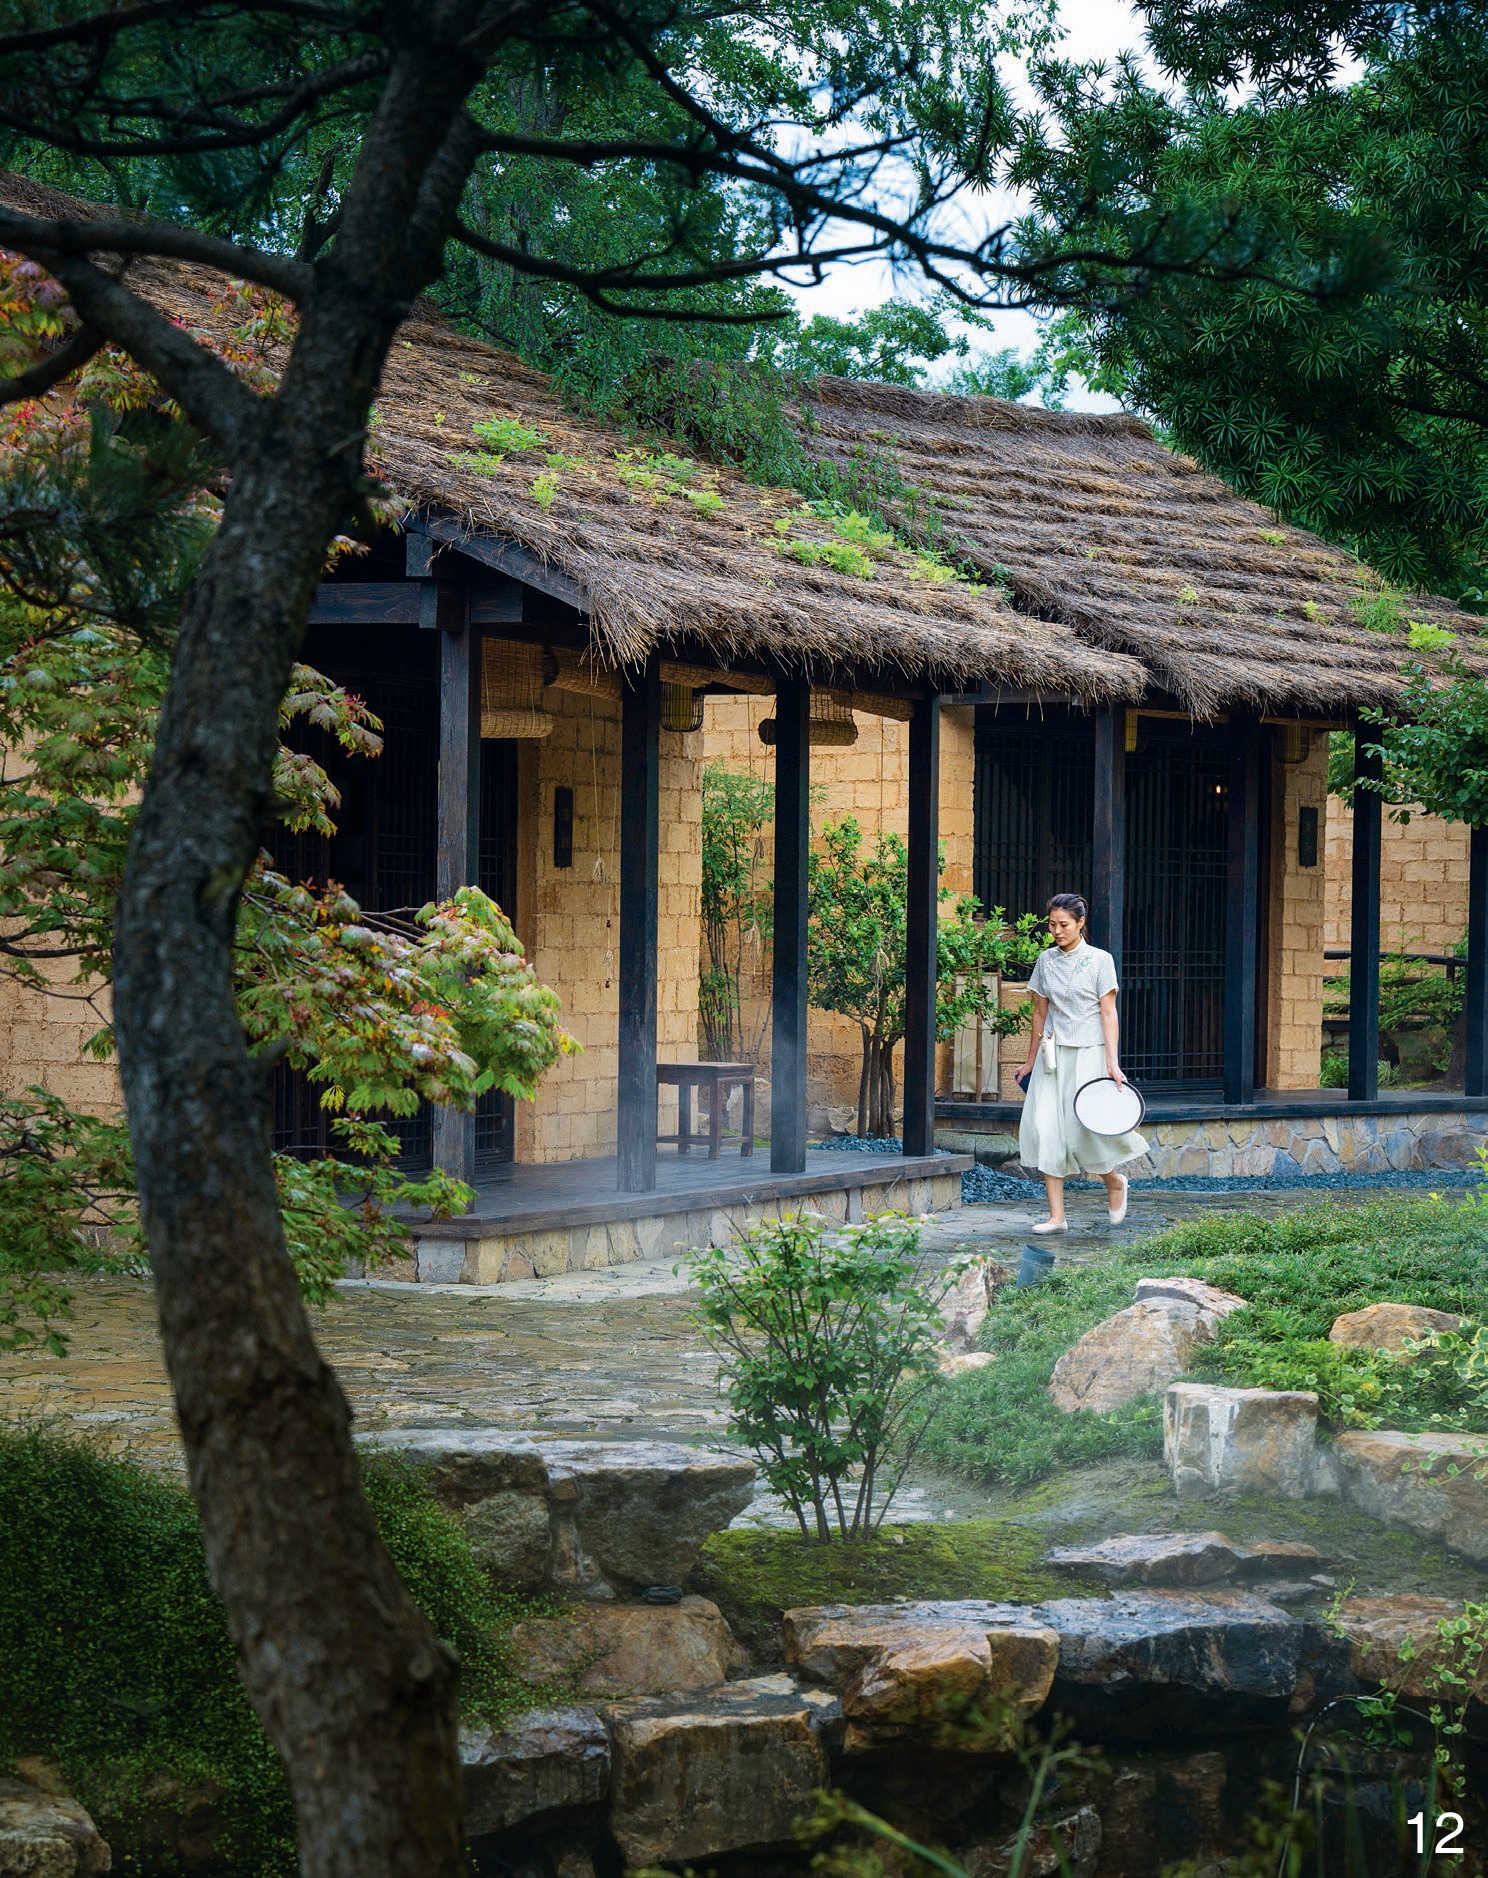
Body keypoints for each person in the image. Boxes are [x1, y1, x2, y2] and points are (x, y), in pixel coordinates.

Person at [1015, 892, 1147, 1232]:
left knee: (1082, 1130)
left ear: (1081, 923)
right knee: (1046, 1128)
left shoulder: (1100, 960)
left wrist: (1112, 1063)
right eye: (1052, 925)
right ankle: (1057, 1217)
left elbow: (1108, 1014)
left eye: (1064, 924)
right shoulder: (1045, 961)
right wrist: (1029, 1061)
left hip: (1089, 1052)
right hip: (1053, 1055)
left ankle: (1114, 1182)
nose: (1057, 931)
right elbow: (1039, 1013)